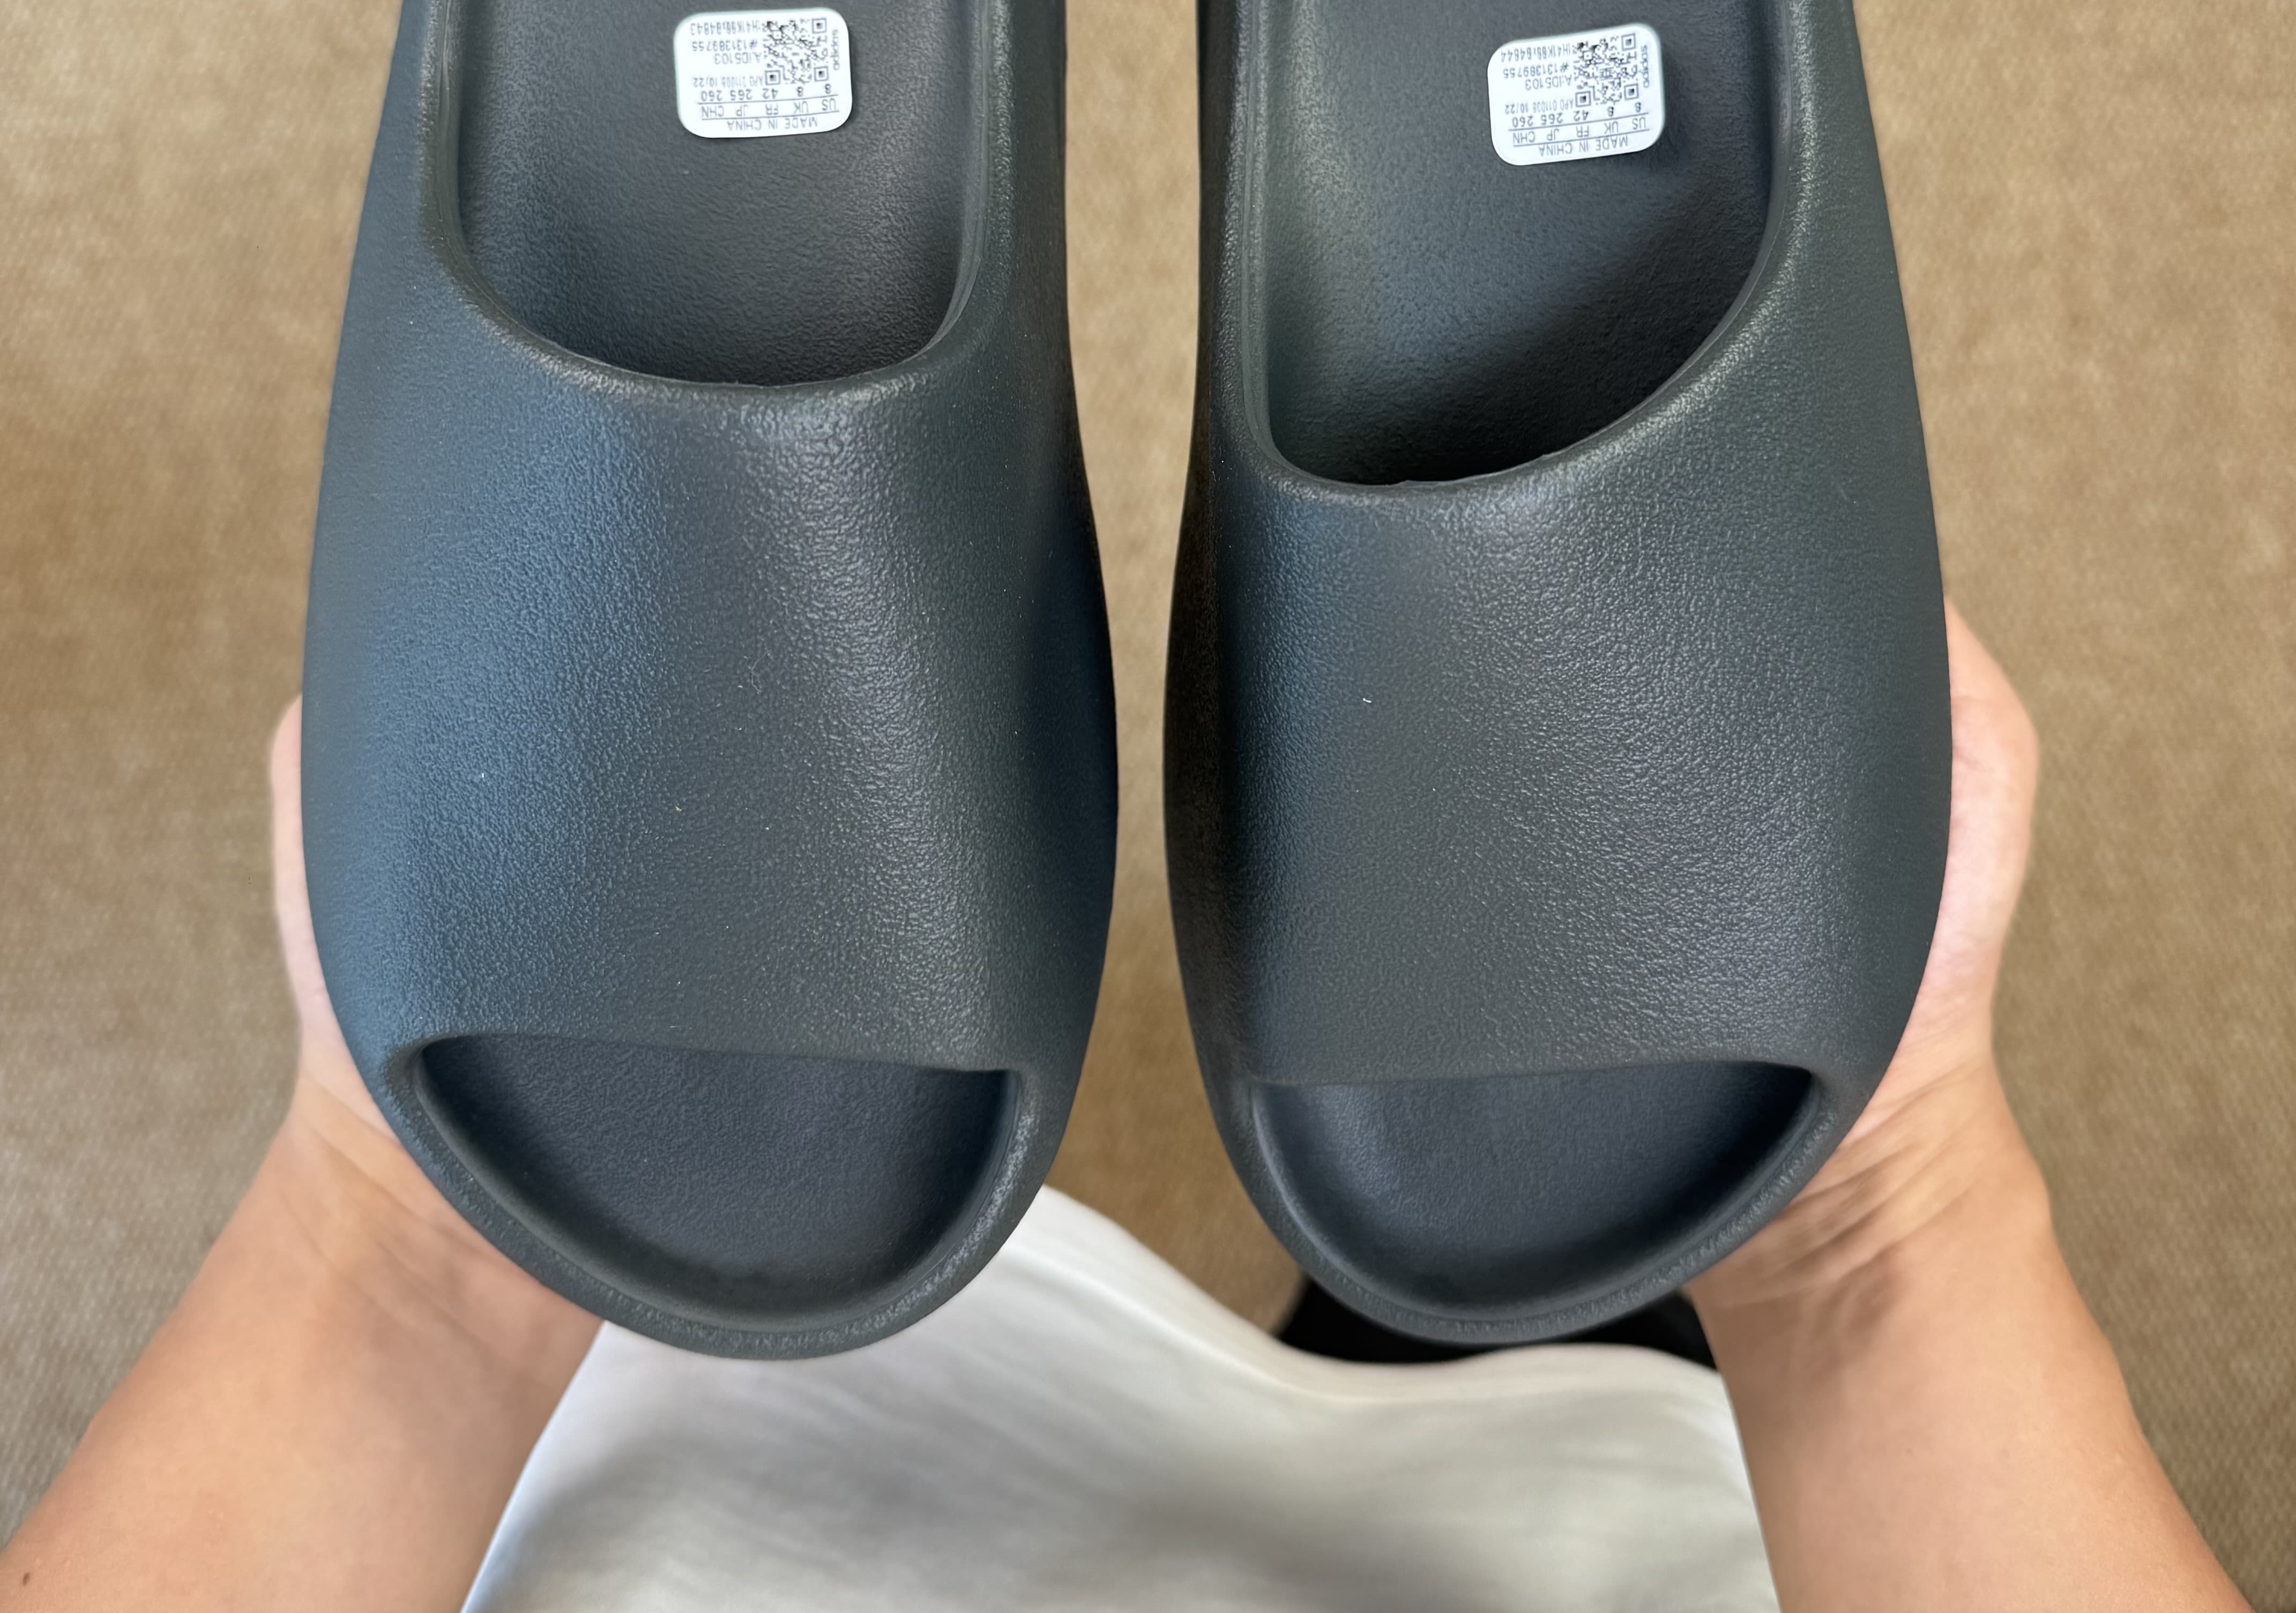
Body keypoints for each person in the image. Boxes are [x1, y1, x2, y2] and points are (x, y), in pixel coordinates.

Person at [3, 607, 2247, 1609]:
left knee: (1502, 1150)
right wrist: (1872, 1228)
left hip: (781, 1514)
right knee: (1563, 1204)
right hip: (1597, 1559)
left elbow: (420, 1268)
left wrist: (406, 1247)